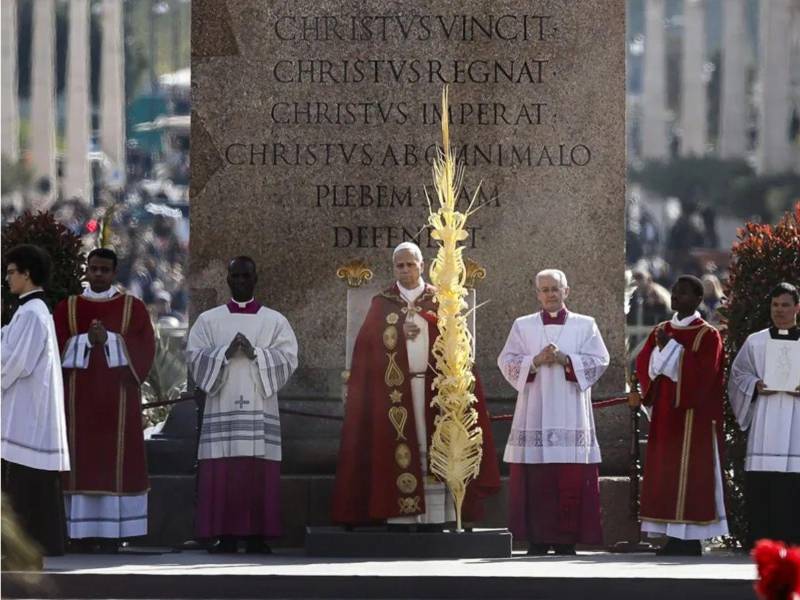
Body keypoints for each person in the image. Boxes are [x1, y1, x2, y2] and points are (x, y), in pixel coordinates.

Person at [332, 242, 500, 528]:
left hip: (436, 391)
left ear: (422, 265)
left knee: (437, 446)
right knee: (399, 448)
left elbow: (458, 344)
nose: (405, 269)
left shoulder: (441, 300)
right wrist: (396, 332)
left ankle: (439, 515)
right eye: (400, 265)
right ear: (393, 268)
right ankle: (402, 515)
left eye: (411, 264)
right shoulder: (383, 302)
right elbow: (367, 347)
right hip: (396, 394)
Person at [187, 256, 298, 553]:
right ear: (227, 280)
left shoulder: (275, 321)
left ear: (255, 279)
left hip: (259, 409)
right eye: (235, 276)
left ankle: (256, 536)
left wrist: (256, 354)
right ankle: (224, 536)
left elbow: (289, 358)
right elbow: (194, 357)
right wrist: (223, 353)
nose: (240, 281)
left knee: (256, 473)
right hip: (221, 406)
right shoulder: (208, 320)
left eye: (245, 276)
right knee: (223, 471)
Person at [498, 269, 609, 555]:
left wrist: (566, 359)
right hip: (534, 410)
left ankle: (565, 540)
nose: (550, 294)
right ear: (537, 294)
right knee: (537, 482)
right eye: (545, 289)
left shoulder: (585, 325)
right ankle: (536, 540)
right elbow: (506, 361)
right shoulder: (523, 325)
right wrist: (535, 361)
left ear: (566, 291)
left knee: (569, 479)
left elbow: (600, 360)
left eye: (555, 289)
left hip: (571, 411)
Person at [53, 248, 156, 552]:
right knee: (80, 462)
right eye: (94, 268)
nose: (98, 274)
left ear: (114, 273)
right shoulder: (67, 307)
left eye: (104, 270)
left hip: (118, 401)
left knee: (114, 464)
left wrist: (109, 340)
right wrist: (86, 340)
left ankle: (113, 534)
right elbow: (54, 347)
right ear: (86, 270)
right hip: (78, 403)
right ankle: (79, 534)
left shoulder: (133, 308)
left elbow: (145, 348)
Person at [635, 275, 728, 556]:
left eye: (684, 293)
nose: (676, 297)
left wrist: (671, 349)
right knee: (665, 474)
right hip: (664, 415)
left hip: (693, 418)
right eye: (674, 292)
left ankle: (690, 539)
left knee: (691, 475)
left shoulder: (707, 335)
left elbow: (704, 375)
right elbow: (644, 364)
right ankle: (672, 537)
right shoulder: (661, 329)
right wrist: (662, 353)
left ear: (698, 299)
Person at [1, 244, 70, 556]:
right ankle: (42, 544)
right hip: (27, 411)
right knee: (33, 483)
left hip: (28, 414)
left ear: (27, 274)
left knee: (27, 483)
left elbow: (16, 362)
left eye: (11, 272)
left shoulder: (32, 312)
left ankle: (29, 547)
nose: (7, 278)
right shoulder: (30, 311)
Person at [728, 282, 800, 548]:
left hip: (796, 422)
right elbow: (738, 375)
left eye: (785, 305)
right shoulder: (756, 342)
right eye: (775, 305)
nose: (779, 310)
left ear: (797, 308)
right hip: (765, 422)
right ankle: (761, 541)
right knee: (763, 484)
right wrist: (754, 384)